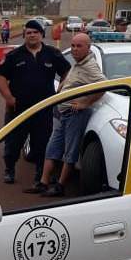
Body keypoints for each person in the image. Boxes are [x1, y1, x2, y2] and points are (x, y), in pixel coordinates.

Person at [0, 19, 71, 187]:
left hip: (43, 109)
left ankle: (40, 173)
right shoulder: (14, 56)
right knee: (13, 142)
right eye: (28, 33)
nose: (32, 35)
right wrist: (9, 98)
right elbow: (0, 78)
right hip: (18, 108)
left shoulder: (52, 54)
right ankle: (9, 169)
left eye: (35, 32)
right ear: (24, 35)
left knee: (42, 142)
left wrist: (60, 91)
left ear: (41, 34)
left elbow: (67, 72)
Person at [30, 33, 106, 196]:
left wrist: (85, 103)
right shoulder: (78, 63)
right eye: (73, 46)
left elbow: (103, 85)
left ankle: (60, 186)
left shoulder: (90, 66)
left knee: (70, 151)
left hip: (75, 115)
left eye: (79, 46)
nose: (75, 49)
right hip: (63, 113)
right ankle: (43, 183)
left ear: (88, 47)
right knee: (52, 148)